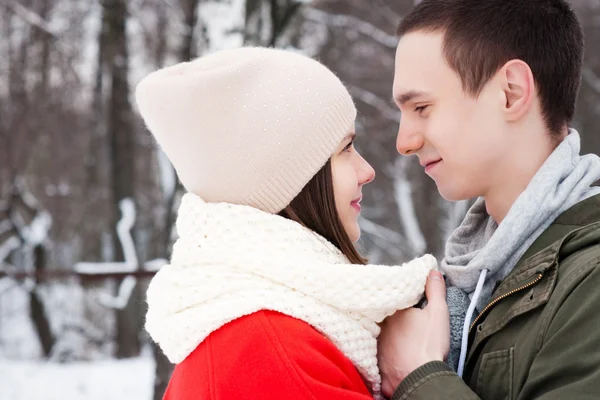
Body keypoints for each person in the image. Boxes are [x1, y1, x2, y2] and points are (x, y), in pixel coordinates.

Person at [135, 47, 438, 400]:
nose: (366, 171)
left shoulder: (263, 331)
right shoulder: (275, 358)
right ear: (292, 181)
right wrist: (421, 380)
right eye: (345, 149)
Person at [377, 0, 600, 399]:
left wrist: (419, 378)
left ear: (511, 93)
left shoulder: (591, 281)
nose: (404, 142)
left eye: (422, 107)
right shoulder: (469, 282)